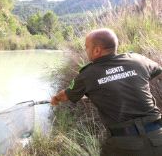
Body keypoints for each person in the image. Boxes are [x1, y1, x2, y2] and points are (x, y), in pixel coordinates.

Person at [51, 28, 162, 156]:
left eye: (86, 47)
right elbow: (157, 70)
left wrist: (56, 99)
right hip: (158, 135)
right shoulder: (138, 60)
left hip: (124, 145)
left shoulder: (87, 75)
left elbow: (66, 95)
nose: (85, 50)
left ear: (97, 50)